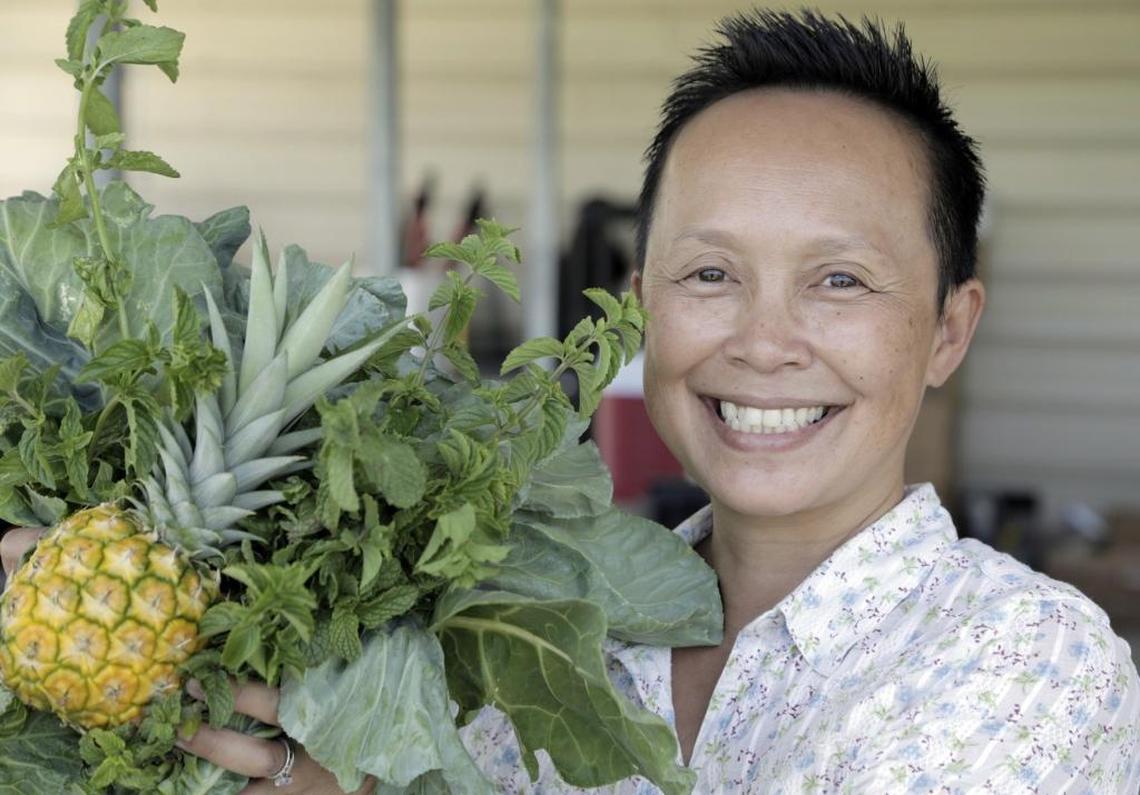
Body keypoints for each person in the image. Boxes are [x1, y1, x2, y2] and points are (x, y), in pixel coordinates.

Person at [3, 8, 1138, 794]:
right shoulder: (542, 632)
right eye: (709, 274)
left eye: (840, 280)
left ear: (950, 328)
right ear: (640, 302)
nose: (763, 342)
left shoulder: (1032, 667)